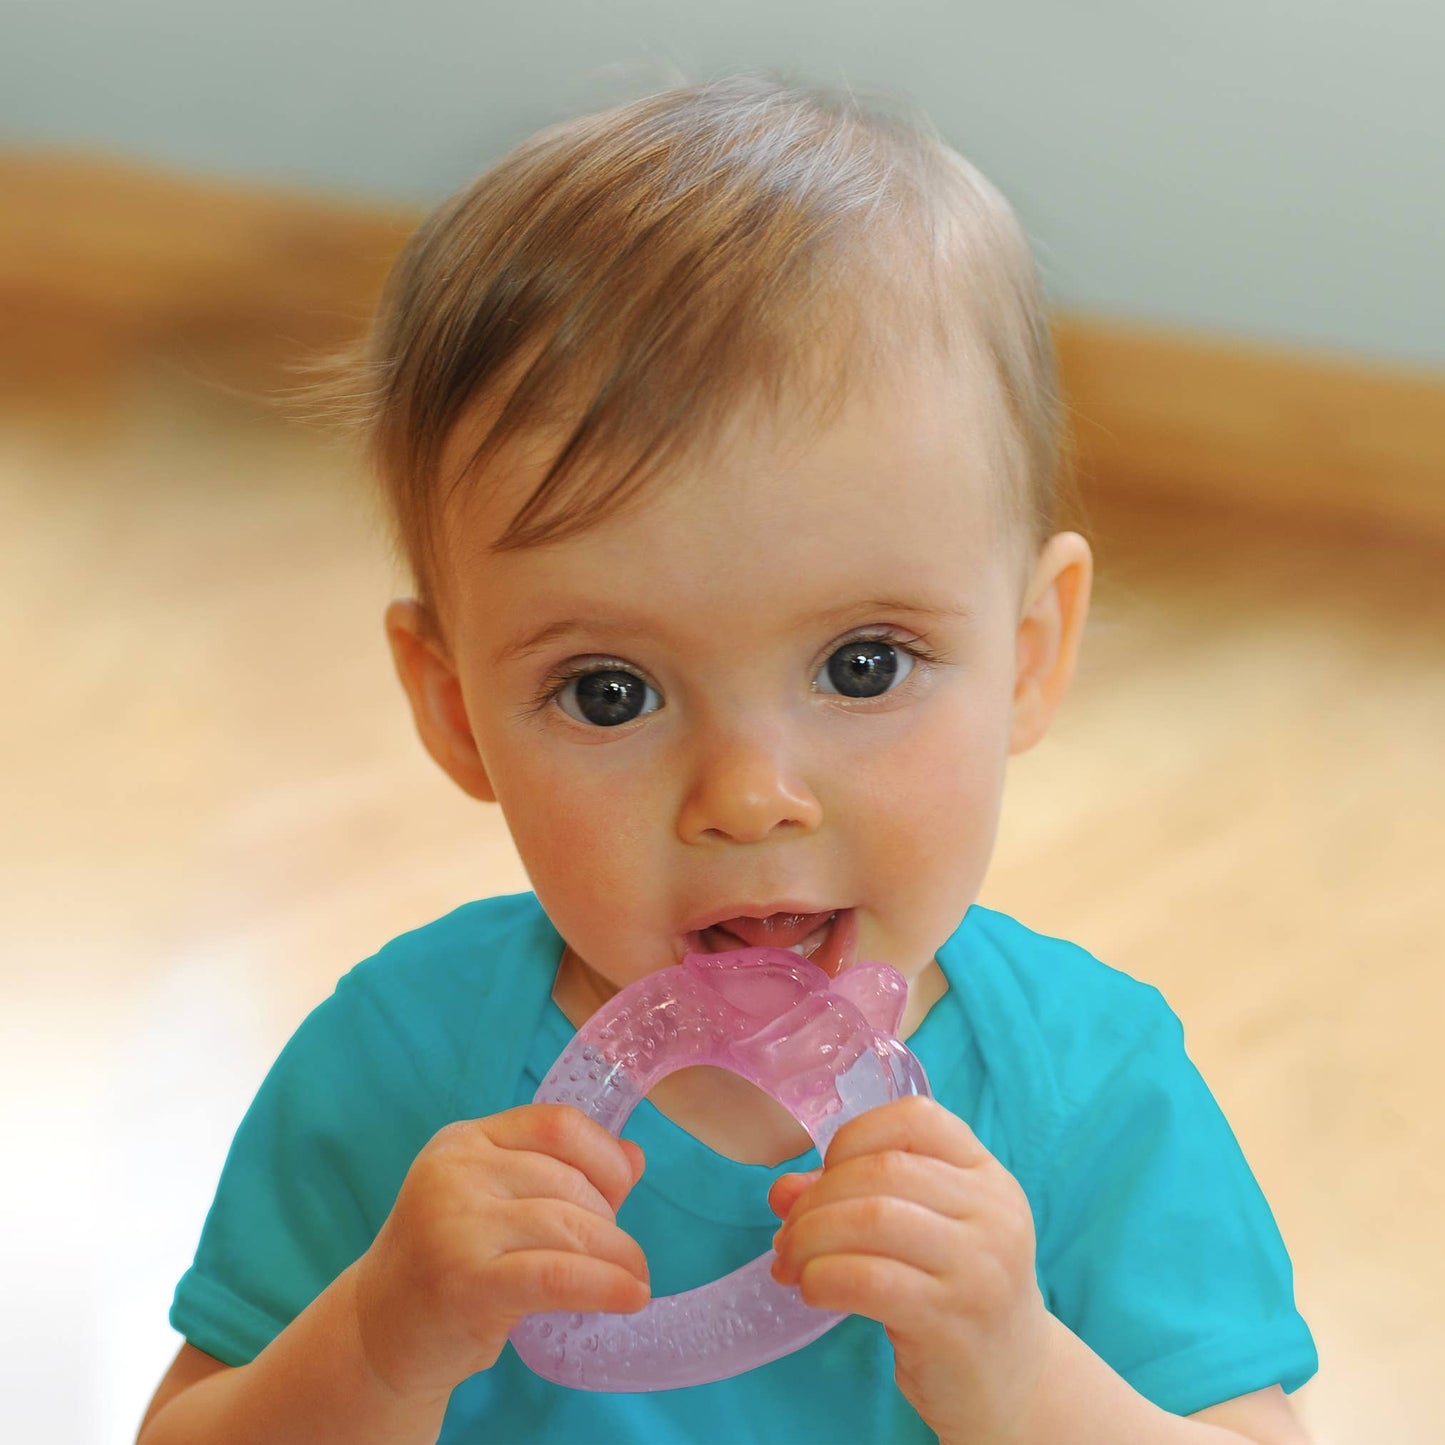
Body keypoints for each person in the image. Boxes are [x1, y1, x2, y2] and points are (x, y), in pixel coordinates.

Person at [137, 74, 1318, 1444]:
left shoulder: (1091, 1090)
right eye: (609, 689)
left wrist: (1017, 1371)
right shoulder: (400, 1059)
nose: (749, 794)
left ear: (1031, 651)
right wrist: (380, 1339)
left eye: (861, 664)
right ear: (457, 709)